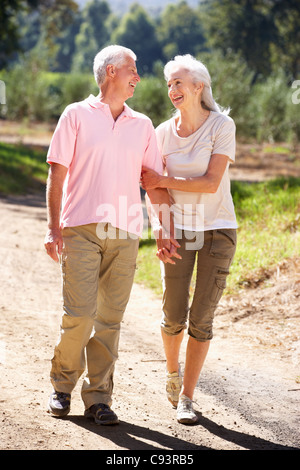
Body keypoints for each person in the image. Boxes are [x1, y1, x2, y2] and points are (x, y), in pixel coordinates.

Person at [44, 45, 179, 425]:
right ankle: (62, 385)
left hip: (125, 233)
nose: (137, 76)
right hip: (81, 228)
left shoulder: (143, 126)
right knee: (81, 315)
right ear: (109, 74)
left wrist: (164, 230)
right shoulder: (76, 115)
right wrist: (53, 227)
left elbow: (153, 185)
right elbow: (58, 174)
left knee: (109, 320)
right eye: (131, 70)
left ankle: (99, 398)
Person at [141, 54, 237, 424]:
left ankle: (187, 397)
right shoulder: (161, 134)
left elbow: (211, 182)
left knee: (202, 318)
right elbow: (153, 191)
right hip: (179, 229)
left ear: (199, 86)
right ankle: (171, 370)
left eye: (178, 82)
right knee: (172, 314)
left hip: (218, 229)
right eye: (169, 84)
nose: (172, 89)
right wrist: (160, 228)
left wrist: (164, 180)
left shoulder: (221, 125)